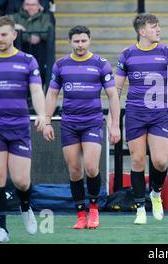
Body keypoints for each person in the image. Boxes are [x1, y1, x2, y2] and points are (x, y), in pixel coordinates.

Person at [0, 16, 45, 243]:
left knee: (22, 181)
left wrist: (42, 114)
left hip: (19, 127)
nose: (0, 39)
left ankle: (25, 208)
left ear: (14, 35)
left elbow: (36, 91)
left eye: (4, 35)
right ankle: (1, 229)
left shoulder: (27, 60)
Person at [43, 26, 121, 230]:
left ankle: (94, 209)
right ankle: (80, 215)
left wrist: (115, 125)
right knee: (75, 171)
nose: (80, 45)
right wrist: (47, 120)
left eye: (83, 41)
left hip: (92, 122)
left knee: (91, 167)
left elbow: (113, 95)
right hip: (69, 123)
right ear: (70, 42)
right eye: (76, 41)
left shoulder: (100, 64)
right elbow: (51, 94)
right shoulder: (61, 64)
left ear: (89, 41)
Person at [115, 13, 168, 225]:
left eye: (159, 26)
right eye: (154, 27)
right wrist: (113, 121)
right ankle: (139, 208)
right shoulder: (127, 54)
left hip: (158, 114)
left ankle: (155, 194)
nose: (158, 30)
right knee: (137, 160)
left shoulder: (166, 52)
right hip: (135, 113)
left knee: (160, 161)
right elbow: (116, 90)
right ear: (141, 31)